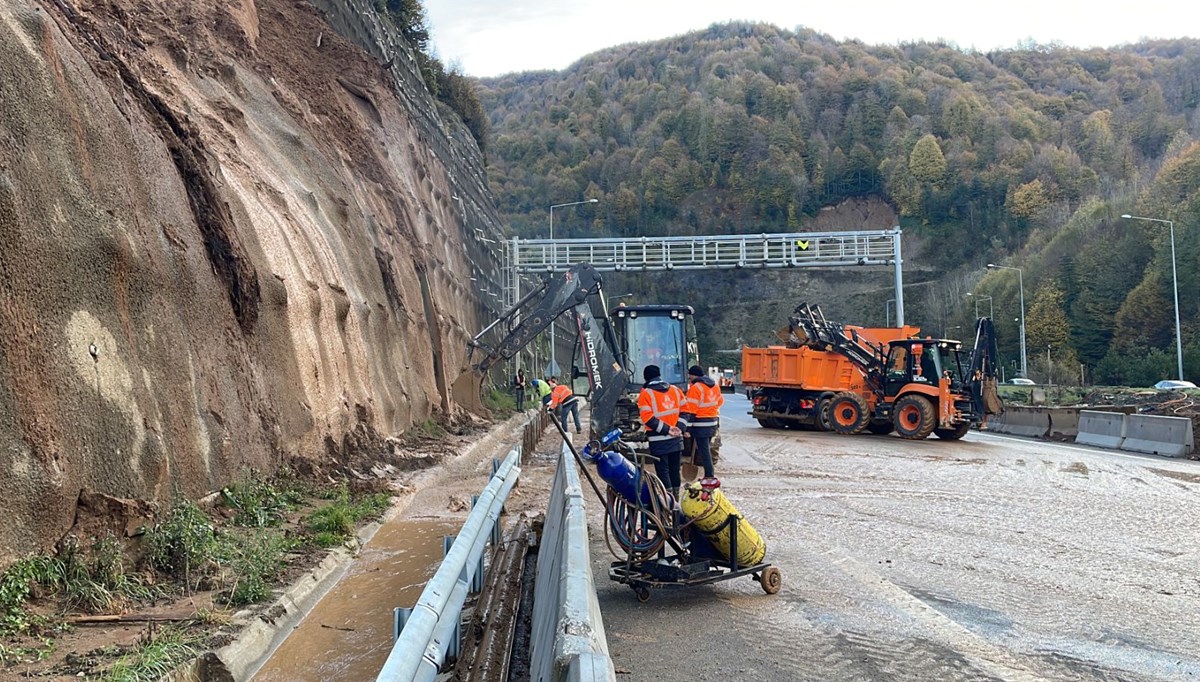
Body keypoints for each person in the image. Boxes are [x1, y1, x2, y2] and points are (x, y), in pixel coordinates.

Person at [637, 364, 686, 503]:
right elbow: (686, 411)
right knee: (675, 469)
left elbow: (647, 418)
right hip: (676, 438)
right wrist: (679, 428)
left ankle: (668, 503)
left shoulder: (646, 394)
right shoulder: (676, 390)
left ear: (645, 377)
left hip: (658, 439)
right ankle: (676, 502)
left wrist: (666, 429)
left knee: (662, 470)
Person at [679, 364, 724, 481]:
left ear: (693, 375)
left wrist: (687, 429)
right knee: (705, 448)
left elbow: (691, 411)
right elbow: (720, 402)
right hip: (712, 422)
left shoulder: (695, 388)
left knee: (704, 450)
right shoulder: (714, 386)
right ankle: (706, 473)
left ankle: (709, 475)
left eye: (690, 376)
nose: (689, 379)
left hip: (700, 424)